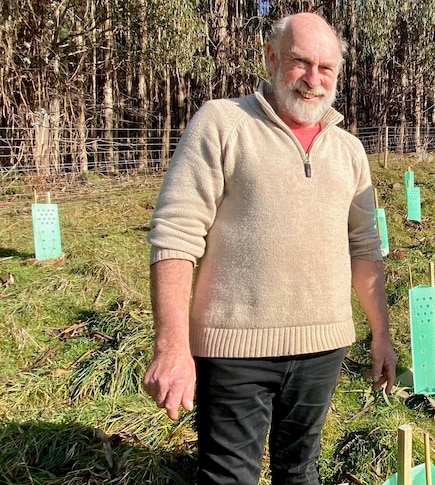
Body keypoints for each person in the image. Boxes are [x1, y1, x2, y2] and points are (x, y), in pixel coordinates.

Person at [142, 12, 397, 485]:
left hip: (323, 347)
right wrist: (171, 346)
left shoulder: (348, 150)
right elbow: (175, 233)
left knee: (300, 471)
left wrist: (380, 334)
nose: (313, 80)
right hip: (233, 347)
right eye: (301, 63)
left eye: (326, 69)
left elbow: (364, 247)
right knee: (228, 477)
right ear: (271, 58)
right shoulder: (222, 122)